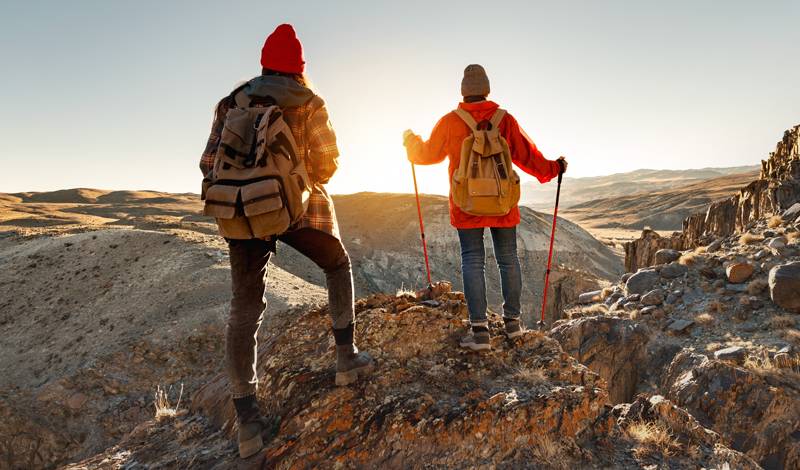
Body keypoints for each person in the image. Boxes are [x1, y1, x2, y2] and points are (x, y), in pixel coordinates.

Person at [200, 24, 374, 459]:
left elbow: (208, 162)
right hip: (298, 209)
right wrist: (295, 184)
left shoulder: (231, 101)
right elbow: (328, 162)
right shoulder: (309, 101)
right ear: (300, 67)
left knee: (245, 309)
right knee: (337, 265)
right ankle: (345, 358)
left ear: (263, 61)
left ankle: (248, 423)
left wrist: (246, 195)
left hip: (242, 214)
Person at [403, 64, 567, 351]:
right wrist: (555, 167)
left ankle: (479, 332)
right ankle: (513, 325)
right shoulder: (505, 120)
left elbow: (425, 154)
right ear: (487, 89)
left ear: (464, 92)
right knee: (508, 258)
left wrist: (410, 142)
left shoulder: (450, 122)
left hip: (467, 203)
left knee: (472, 260)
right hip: (502, 203)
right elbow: (529, 157)